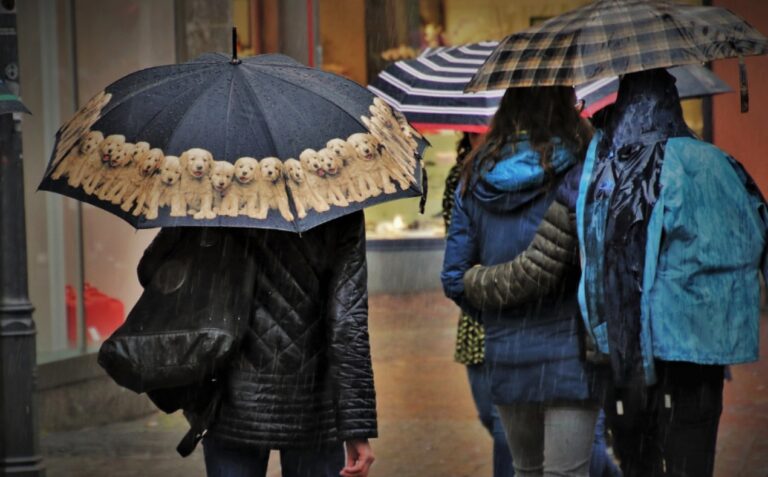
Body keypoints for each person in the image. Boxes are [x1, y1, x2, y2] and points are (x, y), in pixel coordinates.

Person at [577, 68, 768, 477]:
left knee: (643, 458)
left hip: (650, 348)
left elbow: (607, 263)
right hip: (709, 344)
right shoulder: (718, 161)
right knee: (693, 452)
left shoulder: (630, 169)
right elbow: (757, 231)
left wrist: (602, 336)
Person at [136, 212, 377, 477]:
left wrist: (190, 221)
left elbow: (151, 270)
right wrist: (356, 428)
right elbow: (347, 322)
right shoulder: (336, 199)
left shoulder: (215, 191)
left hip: (227, 397)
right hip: (312, 406)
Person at [442, 86, 600, 477]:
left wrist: (496, 317)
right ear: (564, 108)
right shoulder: (584, 168)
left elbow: (454, 278)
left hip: (508, 353)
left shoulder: (474, 176)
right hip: (572, 353)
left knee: (525, 470)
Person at [442, 131, 514, 477]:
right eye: (470, 131)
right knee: (489, 413)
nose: (477, 136)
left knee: (506, 422)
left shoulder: (526, 171)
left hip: (513, 305)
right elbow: (454, 249)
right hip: (476, 313)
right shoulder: (459, 178)